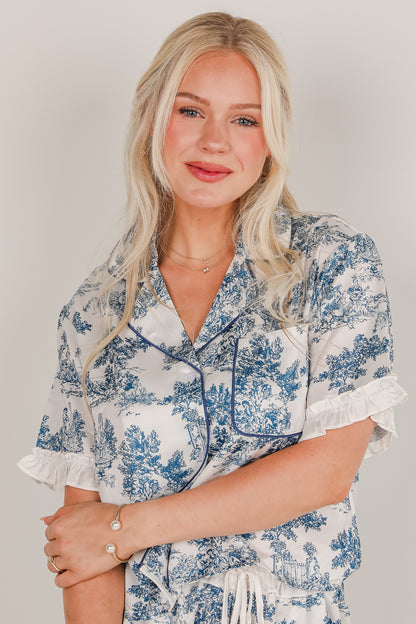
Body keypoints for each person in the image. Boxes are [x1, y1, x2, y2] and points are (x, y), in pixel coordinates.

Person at [18, 11, 406, 624]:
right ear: (153, 118)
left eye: (244, 119)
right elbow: (81, 544)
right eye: (191, 110)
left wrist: (126, 527)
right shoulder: (94, 315)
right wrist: (104, 536)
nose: (214, 141)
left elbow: (327, 470)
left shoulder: (330, 262)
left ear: (270, 139)